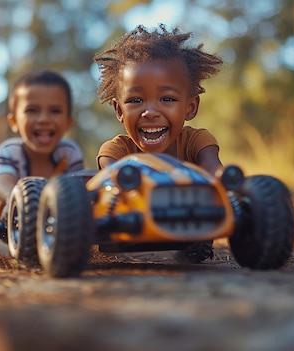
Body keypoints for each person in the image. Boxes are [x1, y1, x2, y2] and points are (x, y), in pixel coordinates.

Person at [93, 24, 224, 262]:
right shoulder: (116, 149)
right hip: (129, 219)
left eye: (167, 99)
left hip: (189, 212)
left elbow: (214, 170)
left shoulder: (197, 140)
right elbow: (110, 179)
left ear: (190, 107)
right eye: (136, 100)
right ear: (119, 109)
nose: (150, 112)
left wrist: (231, 187)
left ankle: (195, 239)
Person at [0, 70, 84, 210]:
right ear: (14, 122)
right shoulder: (9, 151)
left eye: (55, 111)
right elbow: (2, 183)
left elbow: (78, 189)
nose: (44, 119)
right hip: (15, 219)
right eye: (32, 110)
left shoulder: (69, 152)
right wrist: (14, 200)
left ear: (68, 123)